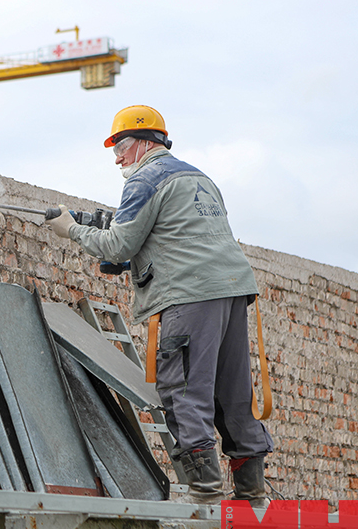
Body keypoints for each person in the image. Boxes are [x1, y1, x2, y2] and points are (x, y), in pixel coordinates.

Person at [48, 105, 273, 506]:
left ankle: (204, 492)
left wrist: (72, 229)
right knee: (231, 390)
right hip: (233, 290)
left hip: (189, 295)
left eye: (120, 146)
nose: (117, 157)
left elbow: (118, 247)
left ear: (144, 144)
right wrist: (105, 224)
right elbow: (165, 233)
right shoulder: (198, 178)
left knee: (183, 387)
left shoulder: (143, 179)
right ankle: (252, 493)